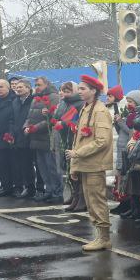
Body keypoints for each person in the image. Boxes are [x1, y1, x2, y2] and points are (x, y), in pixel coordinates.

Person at [66, 75, 117, 252]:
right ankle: (100, 235)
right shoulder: (85, 109)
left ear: (93, 91)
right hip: (85, 163)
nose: (79, 91)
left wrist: (77, 154)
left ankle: (104, 238)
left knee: (97, 201)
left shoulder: (100, 111)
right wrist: (75, 164)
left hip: (95, 164)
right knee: (90, 200)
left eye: (82, 89)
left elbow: (101, 141)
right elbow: (78, 139)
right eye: (79, 88)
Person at [24, 77, 63, 203]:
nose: (37, 87)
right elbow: (29, 116)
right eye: (35, 85)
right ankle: (49, 190)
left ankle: (57, 192)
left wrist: (35, 128)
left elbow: (52, 118)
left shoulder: (53, 97)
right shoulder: (36, 98)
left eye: (39, 84)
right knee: (42, 168)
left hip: (48, 138)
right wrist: (26, 126)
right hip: (36, 138)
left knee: (52, 167)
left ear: (46, 84)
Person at [52, 81, 85, 210]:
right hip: (64, 138)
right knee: (68, 169)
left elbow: (78, 121)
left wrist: (64, 124)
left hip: (74, 139)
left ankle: (81, 198)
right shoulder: (63, 103)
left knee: (76, 170)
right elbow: (57, 117)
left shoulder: (80, 103)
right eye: (63, 91)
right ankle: (74, 195)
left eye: (68, 91)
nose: (64, 94)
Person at [8, 77, 36, 199]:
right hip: (18, 137)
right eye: (17, 87)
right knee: (23, 165)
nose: (17, 89)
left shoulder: (33, 101)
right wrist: (11, 133)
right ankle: (28, 187)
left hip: (30, 136)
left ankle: (36, 188)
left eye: (21, 87)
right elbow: (12, 119)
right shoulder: (15, 101)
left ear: (28, 88)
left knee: (32, 164)